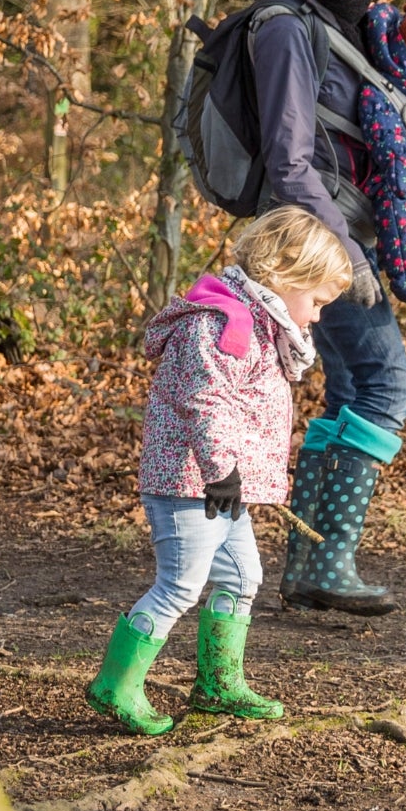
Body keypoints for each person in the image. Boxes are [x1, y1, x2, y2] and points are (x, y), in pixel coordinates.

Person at [215, 0, 406, 616]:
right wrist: (349, 256)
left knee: (354, 387)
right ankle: (325, 562)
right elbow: (291, 160)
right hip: (311, 239)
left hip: (334, 231)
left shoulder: (336, 17)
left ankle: (313, 568)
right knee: (387, 386)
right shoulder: (284, 25)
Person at [87, 209, 353, 736]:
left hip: (221, 486)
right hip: (192, 481)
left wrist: (236, 477)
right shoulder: (223, 322)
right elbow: (206, 399)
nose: (319, 316)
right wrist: (222, 469)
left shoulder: (258, 323)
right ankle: (116, 684)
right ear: (283, 273)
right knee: (181, 584)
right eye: (317, 301)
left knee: (242, 576)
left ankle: (218, 682)